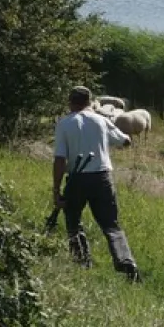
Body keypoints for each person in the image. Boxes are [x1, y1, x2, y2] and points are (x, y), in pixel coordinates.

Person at [53, 86, 140, 281]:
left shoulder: (64, 123)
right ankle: (127, 262)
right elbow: (125, 141)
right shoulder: (102, 120)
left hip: (77, 178)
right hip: (102, 178)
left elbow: (60, 160)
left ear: (70, 102)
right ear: (89, 101)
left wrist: (56, 190)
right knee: (111, 225)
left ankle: (82, 262)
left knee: (73, 221)